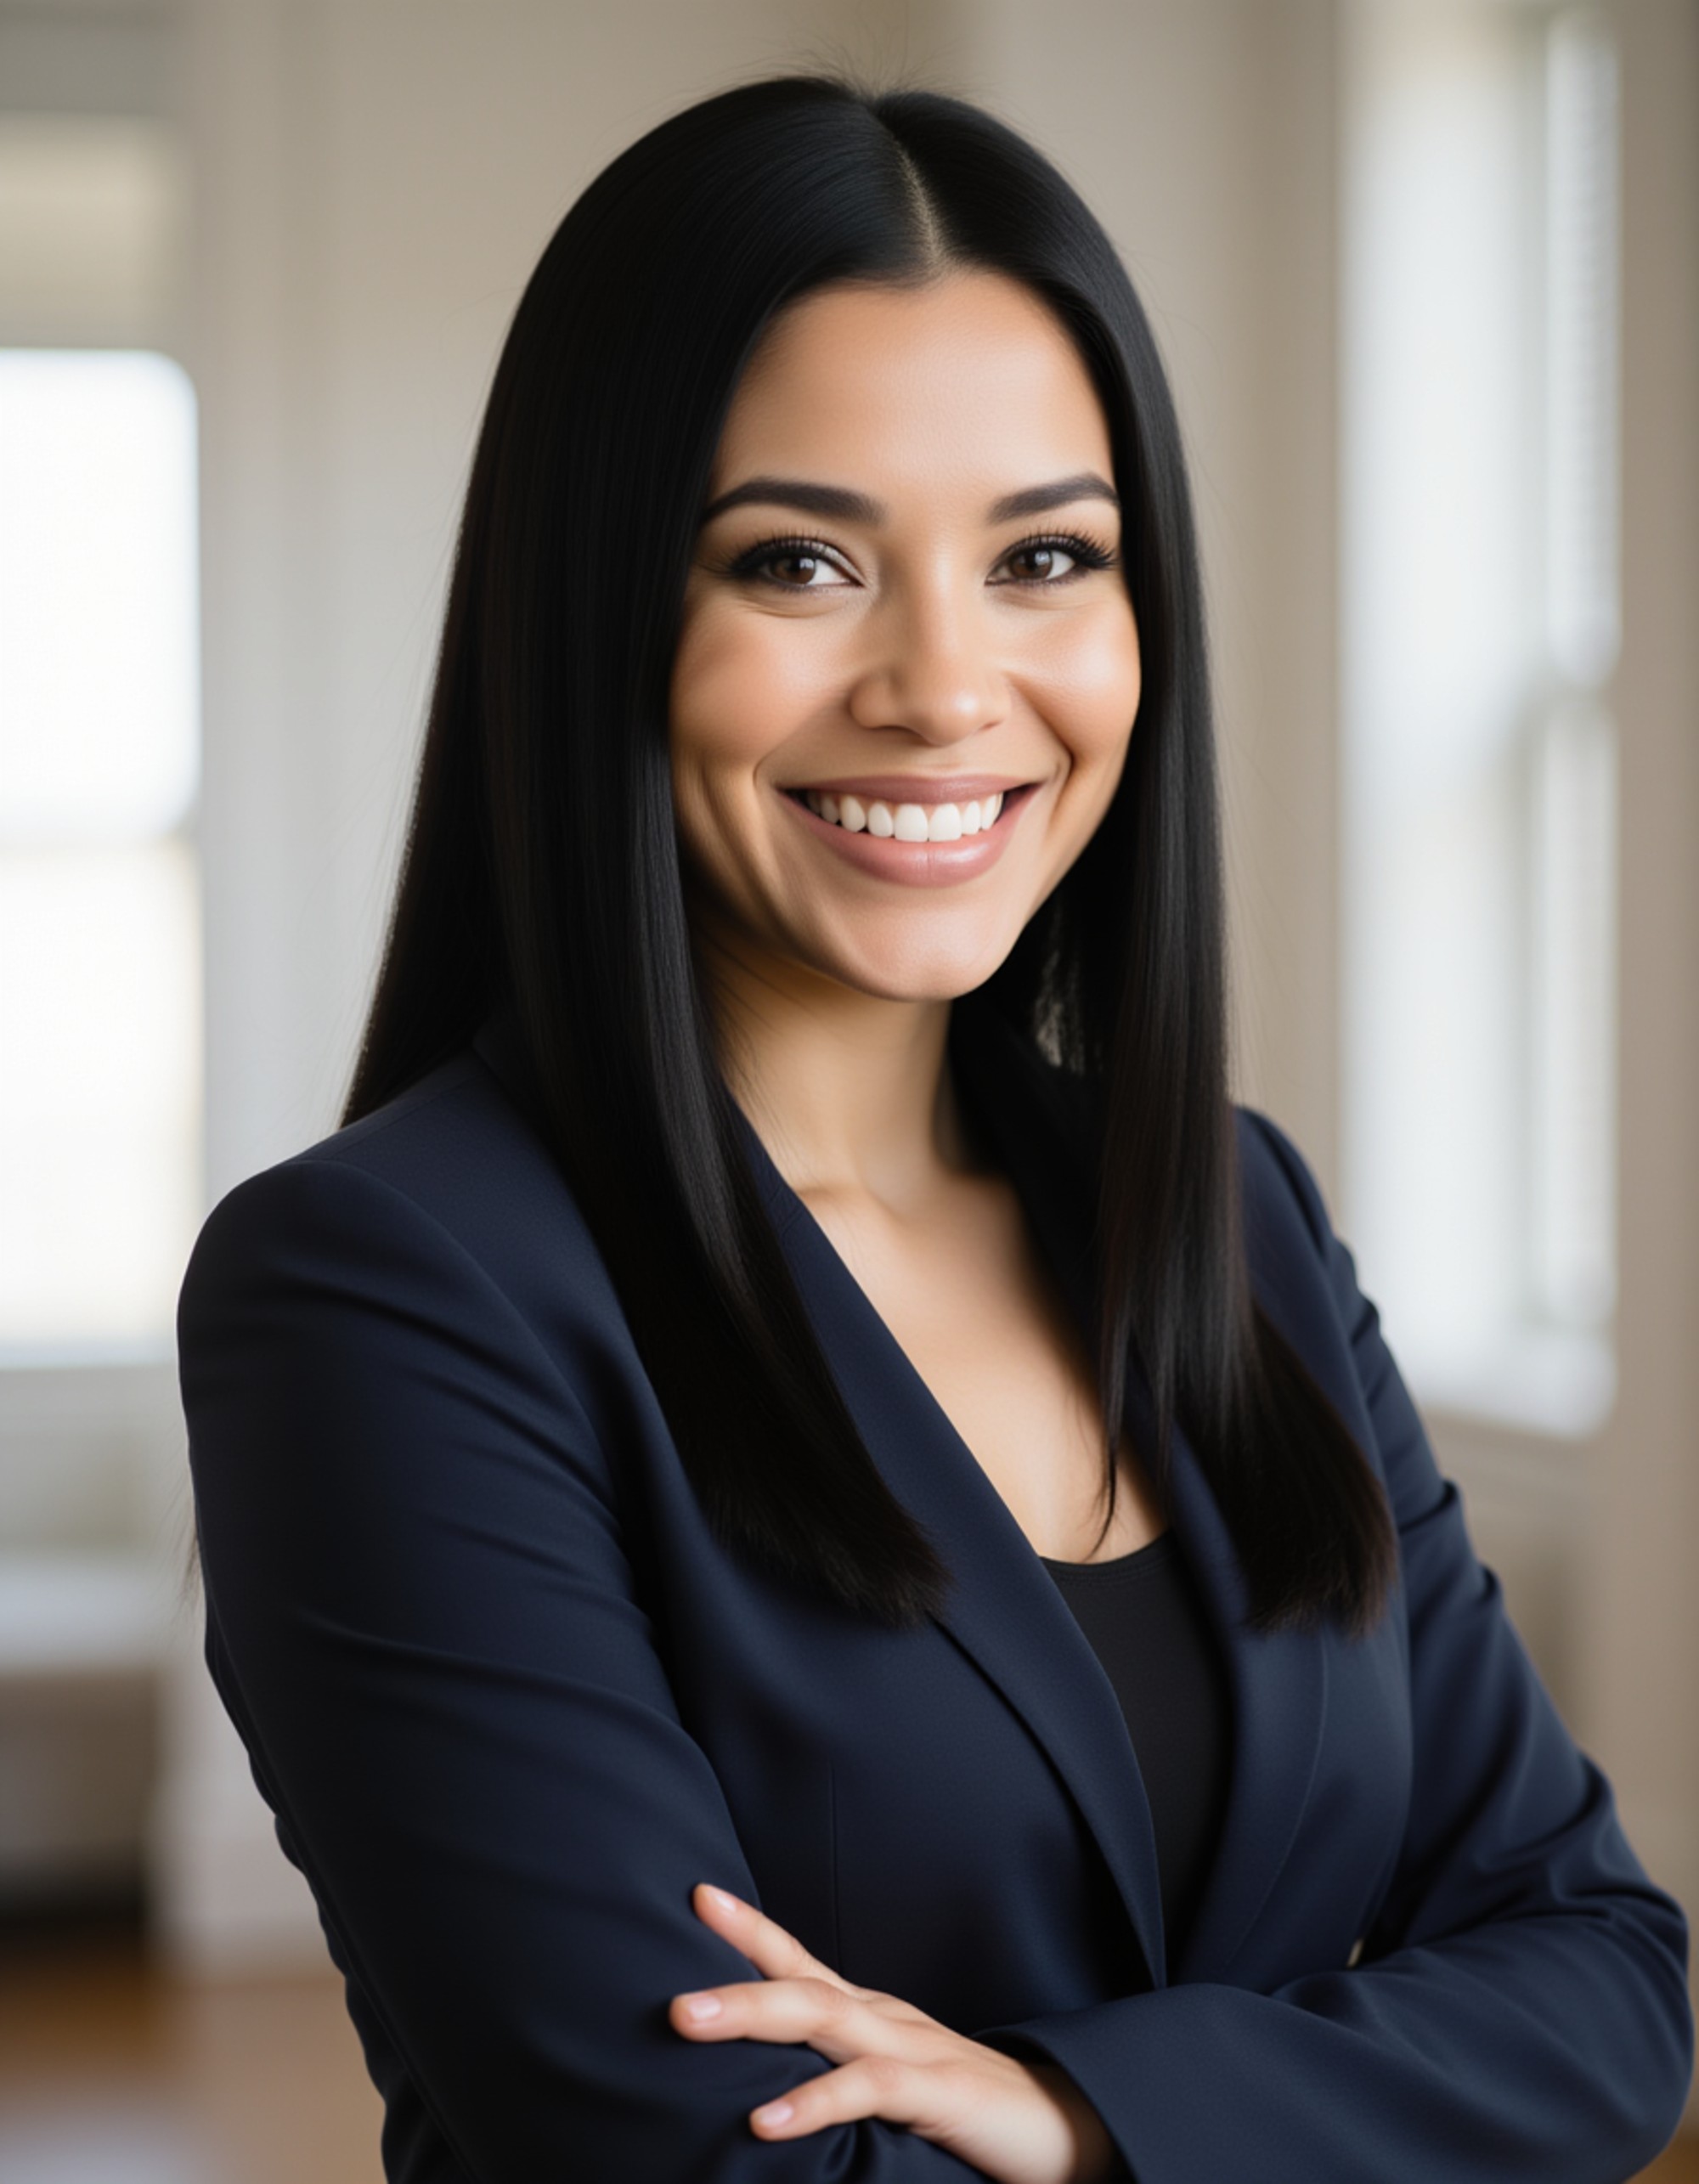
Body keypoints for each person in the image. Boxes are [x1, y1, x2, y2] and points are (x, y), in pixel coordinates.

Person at [177, 74, 1691, 2184]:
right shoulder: (386, 1290)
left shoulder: (1231, 1213)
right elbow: (711, 2160)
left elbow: (1607, 1979)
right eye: (798, 560)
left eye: (1046, 556)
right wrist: (1331, 2090)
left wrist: (1081, 2114)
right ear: (598, 607)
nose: (945, 685)